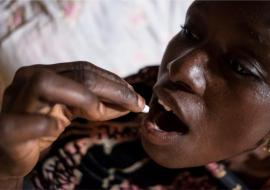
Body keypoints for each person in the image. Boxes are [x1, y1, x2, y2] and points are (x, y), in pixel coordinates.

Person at [2, 0, 270, 189]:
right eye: (190, 31)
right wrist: (7, 173)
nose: (180, 67)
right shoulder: (127, 106)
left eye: (239, 67)